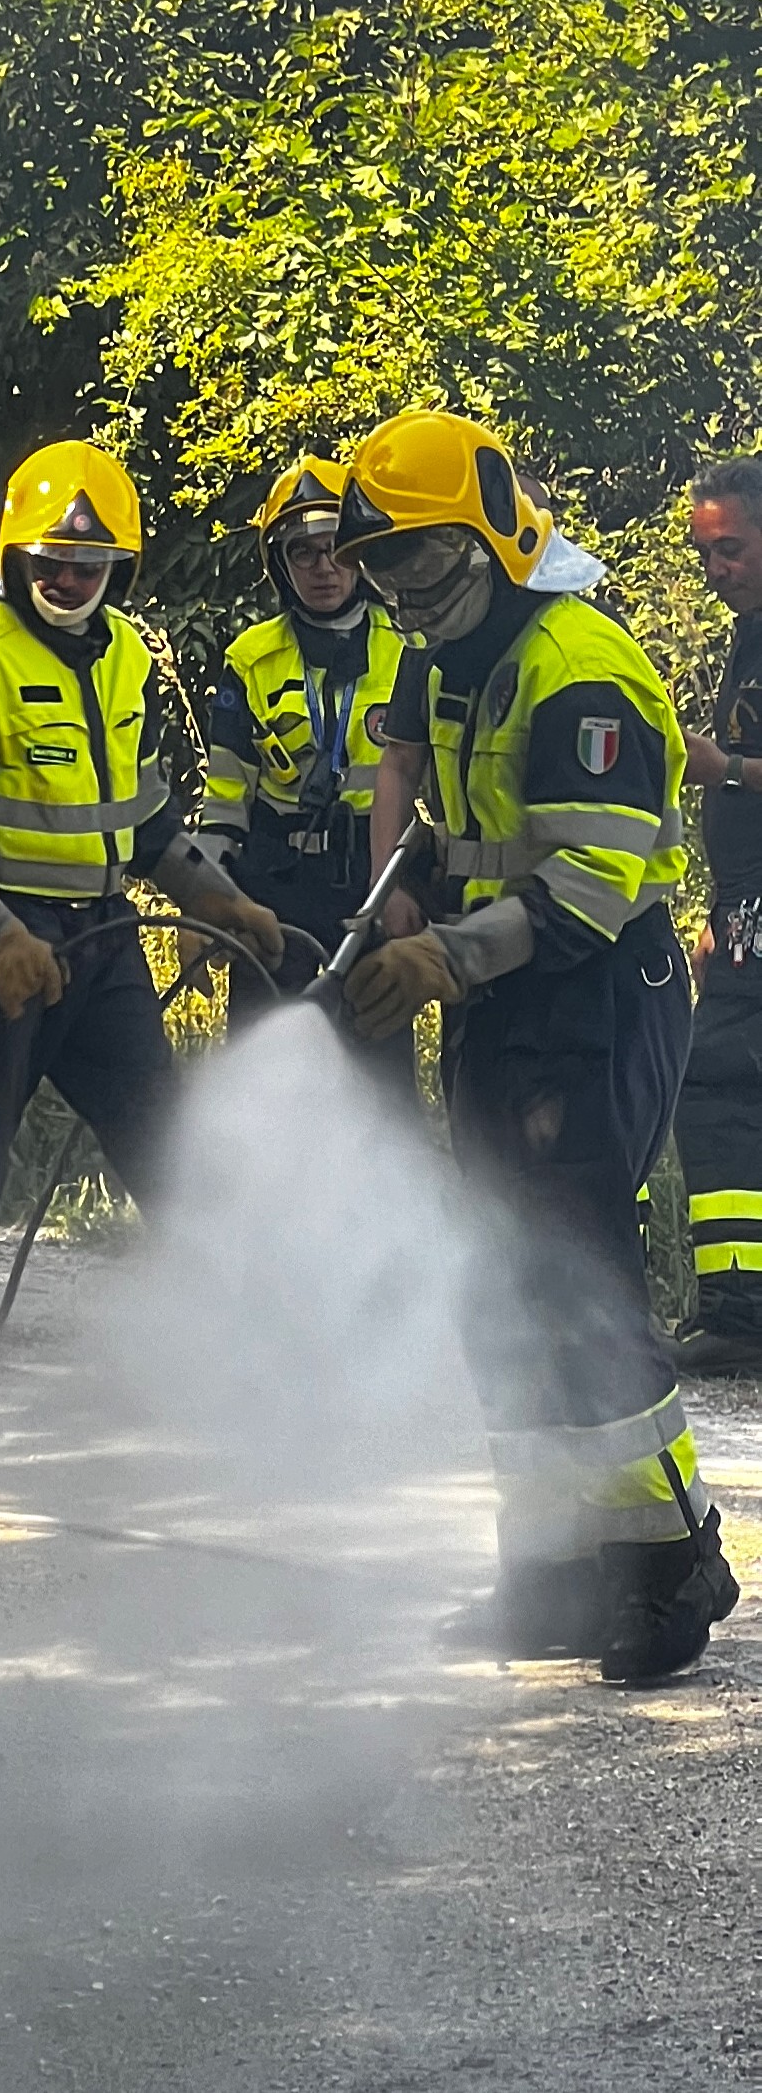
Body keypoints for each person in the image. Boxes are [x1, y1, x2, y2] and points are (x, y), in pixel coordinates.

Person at [337, 408, 737, 1684]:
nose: (405, 591)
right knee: (502, 1278)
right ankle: (554, 1572)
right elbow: (451, 820)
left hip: (595, 988)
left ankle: (671, 1565)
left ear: (494, 537)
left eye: (422, 559)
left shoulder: (581, 669)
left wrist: (444, 958)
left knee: (576, 1271)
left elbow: (592, 887)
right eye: (386, 567)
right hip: (503, 991)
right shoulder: (456, 655)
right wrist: (404, 902)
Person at [0, 441, 288, 1436]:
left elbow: (142, 820)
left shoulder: (128, 656)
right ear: (14, 558)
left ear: (118, 570)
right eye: (50, 562)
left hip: (103, 941)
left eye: (88, 565)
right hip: (0, 955)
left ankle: (233, 1360)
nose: (67, 579)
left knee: (165, 1140)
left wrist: (216, 897)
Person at [197, 456, 411, 1092]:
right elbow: (225, 802)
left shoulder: (409, 647)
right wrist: (207, 901)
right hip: (276, 891)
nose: (324, 568)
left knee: (381, 1084)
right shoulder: (250, 659)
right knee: (264, 1081)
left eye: (337, 549)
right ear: (280, 563)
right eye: (303, 552)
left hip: (372, 884)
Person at [673, 455, 762, 1371]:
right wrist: (720, 907)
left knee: (715, 1083)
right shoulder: (749, 632)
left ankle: (740, 1313)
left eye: (729, 547)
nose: (714, 568)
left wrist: (723, 766)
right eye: (704, 552)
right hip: (744, 908)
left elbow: (739, 769)